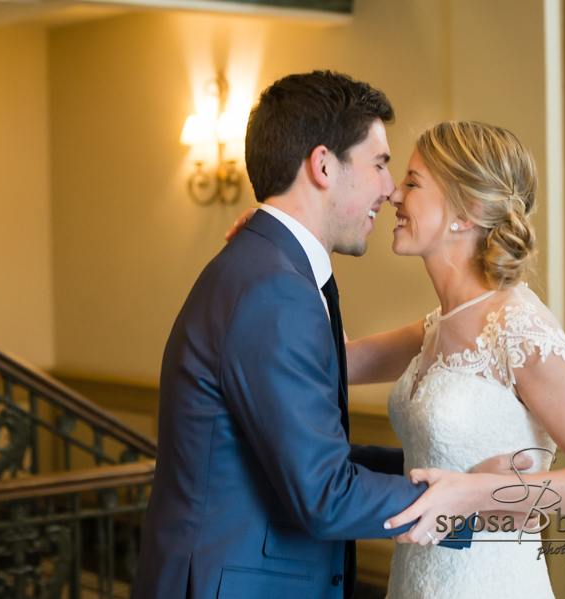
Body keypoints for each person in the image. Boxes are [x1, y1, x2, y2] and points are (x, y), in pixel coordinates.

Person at [130, 72, 519, 599]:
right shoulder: (273, 288)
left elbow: (304, 451)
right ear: (322, 166)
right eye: (380, 164)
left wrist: (449, 474)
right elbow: (325, 493)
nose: (390, 188)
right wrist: (472, 506)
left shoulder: (268, 268)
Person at [227, 121, 565, 598]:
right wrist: (286, 246)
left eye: (413, 183)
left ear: (467, 213)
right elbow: (334, 361)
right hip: (416, 580)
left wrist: (473, 492)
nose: (394, 194)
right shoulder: (434, 327)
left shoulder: (521, 328)